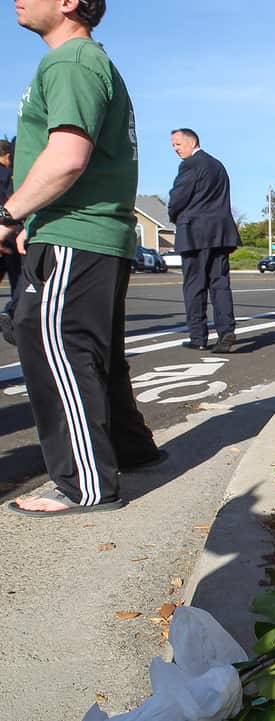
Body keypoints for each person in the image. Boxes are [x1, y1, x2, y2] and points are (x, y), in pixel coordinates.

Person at [1, 0, 163, 516]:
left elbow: (68, 156)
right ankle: (132, 451)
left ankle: (83, 483)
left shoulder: (71, 61)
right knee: (92, 351)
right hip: (79, 231)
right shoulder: (85, 61)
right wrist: (33, 222)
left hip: (78, 231)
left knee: (56, 346)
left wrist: (9, 214)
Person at [167, 127, 240, 353]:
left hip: (195, 233)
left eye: (178, 144)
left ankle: (198, 337)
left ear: (192, 142)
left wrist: (173, 214)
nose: (175, 149)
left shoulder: (190, 165)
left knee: (194, 286)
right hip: (220, 232)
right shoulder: (218, 166)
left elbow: (179, 197)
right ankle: (226, 331)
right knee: (220, 284)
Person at [0, 137, 18, 344]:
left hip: (6, 230)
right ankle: (13, 313)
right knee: (19, 281)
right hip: (9, 230)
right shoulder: (7, 175)